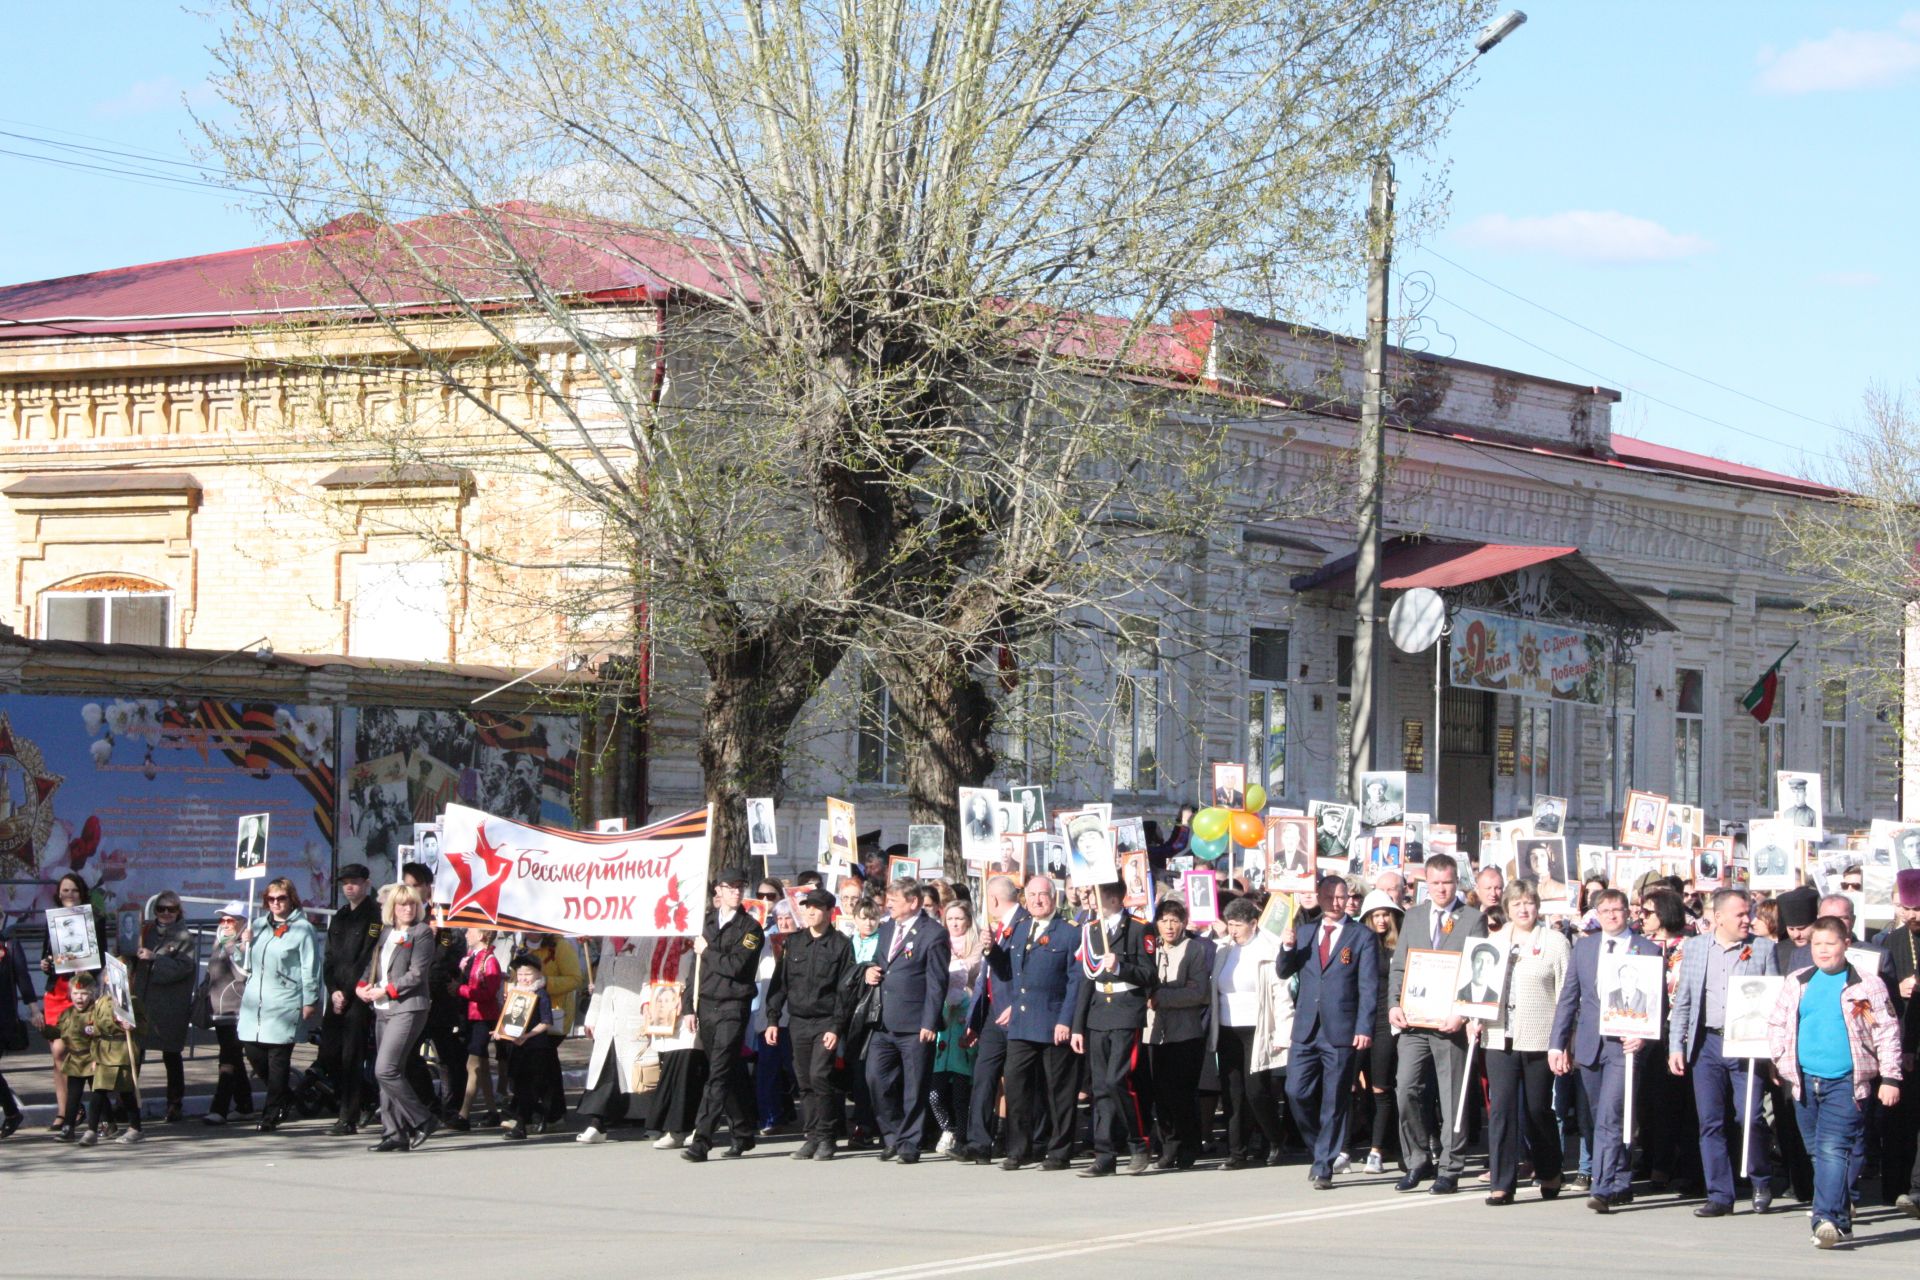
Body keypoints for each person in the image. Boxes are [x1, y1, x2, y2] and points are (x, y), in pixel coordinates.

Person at [1767, 916, 1903, 1248]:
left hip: (1847, 1081)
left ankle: (1824, 1218)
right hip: (1804, 1080)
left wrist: (1890, 1077)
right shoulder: (1799, 981)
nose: (1823, 951)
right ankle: (1841, 1219)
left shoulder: (1864, 986)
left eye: (1830, 943)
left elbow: (1884, 1031)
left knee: (1832, 1149)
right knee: (1818, 1151)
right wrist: (1779, 1059)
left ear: (1846, 944)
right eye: (1817, 944)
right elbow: (1778, 1022)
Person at [1668, 887, 1780, 1216]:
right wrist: (1677, 1044)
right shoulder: (1697, 947)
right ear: (1718, 918)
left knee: (1749, 1116)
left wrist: (1772, 1050)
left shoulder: (1761, 949)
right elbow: (1684, 1000)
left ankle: (1760, 1177)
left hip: (1746, 1042)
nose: (1748, 920)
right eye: (1741, 914)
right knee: (1710, 1121)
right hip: (1707, 1044)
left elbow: (1775, 1001)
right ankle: (1720, 1193)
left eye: (1749, 913)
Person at [1550, 887, 1658, 1213]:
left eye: (1618, 909)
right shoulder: (1584, 948)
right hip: (1589, 1044)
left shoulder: (1647, 949)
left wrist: (1645, 1035)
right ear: (1597, 914)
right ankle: (1621, 1178)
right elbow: (1569, 997)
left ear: (1629, 912)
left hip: (1625, 1045)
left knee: (1612, 1114)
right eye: (1606, 910)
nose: (1612, 915)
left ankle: (1602, 1186)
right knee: (1598, 1117)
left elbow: (1656, 1003)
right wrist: (1558, 1043)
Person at [1386, 855, 1484, 1194]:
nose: (1442, 889)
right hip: (1414, 1023)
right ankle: (1417, 1160)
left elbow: (1478, 972)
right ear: (1425, 884)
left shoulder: (1472, 919)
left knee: (1453, 1096)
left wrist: (1463, 1012)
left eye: (1448, 882)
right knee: (1406, 1089)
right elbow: (1399, 965)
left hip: (1450, 1024)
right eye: (1436, 883)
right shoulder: (1412, 917)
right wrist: (1394, 1004)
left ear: (1457, 882)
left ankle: (1450, 1168)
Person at [1280, 874, 1379, 1189]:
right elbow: (1284, 970)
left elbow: (1368, 986)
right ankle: (1320, 1148)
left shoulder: (1360, 936)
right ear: (1319, 898)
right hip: (1307, 1028)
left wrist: (1364, 1026)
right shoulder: (1306, 932)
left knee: (1335, 1100)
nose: (1336, 904)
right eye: (1329, 898)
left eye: (1341, 897)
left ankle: (1323, 1165)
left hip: (1342, 1029)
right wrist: (1287, 946)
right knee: (1296, 1091)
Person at [1475, 879, 1569, 1204]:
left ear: (1537, 906)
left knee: (1537, 1110)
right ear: (1507, 909)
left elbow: (1565, 996)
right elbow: (1478, 986)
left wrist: (1563, 1041)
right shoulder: (1495, 940)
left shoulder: (1555, 942)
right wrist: (1474, 1016)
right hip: (1498, 1036)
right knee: (1501, 1109)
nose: (1523, 909)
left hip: (1539, 1039)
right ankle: (1502, 1182)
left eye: (1528, 902)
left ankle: (1550, 1170)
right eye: (1516, 904)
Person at [990, 875, 1084, 1171]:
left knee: (1059, 1092)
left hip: (1054, 1022)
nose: (1037, 900)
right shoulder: (1019, 929)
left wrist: (1066, 1020)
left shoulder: (1070, 932)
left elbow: (1075, 980)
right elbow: (1008, 972)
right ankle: (1019, 1149)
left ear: (1053, 898)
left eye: (1042, 895)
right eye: (1031, 895)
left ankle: (1059, 1151)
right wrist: (990, 951)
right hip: (1022, 1022)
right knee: (1016, 1087)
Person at [1070, 881, 1155, 1177]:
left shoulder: (1139, 928)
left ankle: (1138, 1143)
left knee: (1118, 1081)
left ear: (1117, 899)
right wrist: (1077, 1026)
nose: (1093, 901)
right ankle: (1104, 1155)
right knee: (1100, 1087)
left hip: (1125, 1011)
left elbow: (1149, 973)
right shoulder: (1092, 930)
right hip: (1098, 1014)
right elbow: (1085, 980)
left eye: (1100, 896)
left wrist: (1120, 965)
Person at [862, 879, 950, 1164]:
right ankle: (893, 1135)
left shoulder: (933, 934)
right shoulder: (887, 928)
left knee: (914, 1087)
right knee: (875, 1079)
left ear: (913, 902)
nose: (889, 905)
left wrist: (930, 1022)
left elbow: (938, 983)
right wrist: (870, 972)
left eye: (895, 901)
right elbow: (878, 961)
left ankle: (910, 1143)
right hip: (884, 1021)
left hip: (915, 1024)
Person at [764, 888, 855, 1160]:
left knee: (820, 1076)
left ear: (829, 912)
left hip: (826, 1021)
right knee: (804, 1081)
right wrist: (772, 1018)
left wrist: (836, 1027)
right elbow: (780, 985)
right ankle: (812, 1137)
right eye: (807, 907)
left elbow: (845, 990)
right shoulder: (794, 943)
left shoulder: (840, 944)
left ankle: (827, 1137)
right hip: (798, 1022)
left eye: (816, 907)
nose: (810, 911)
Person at [682, 868, 766, 1160]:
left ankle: (702, 1140)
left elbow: (736, 967)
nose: (736, 891)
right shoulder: (705, 924)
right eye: (731, 887)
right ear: (718, 889)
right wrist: (687, 1006)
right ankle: (743, 1132)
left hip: (733, 1005)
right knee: (729, 1071)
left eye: (740, 887)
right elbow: (696, 967)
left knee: (717, 1073)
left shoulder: (751, 929)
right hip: (706, 1004)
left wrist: (708, 951)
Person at [238, 876, 322, 1133]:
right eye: (271, 899)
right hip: (256, 1002)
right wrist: (243, 944)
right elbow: (244, 962)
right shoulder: (259, 925)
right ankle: (284, 1095)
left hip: (284, 1000)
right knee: (252, 1050)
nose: (276, 903)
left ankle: (272, 1112)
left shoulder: (303, 929)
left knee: (278, 1059)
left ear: (291, 899)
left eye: (281, 898)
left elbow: (310, 967)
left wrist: (310, 999)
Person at [358, 883, 437, 1152]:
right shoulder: (387, 932)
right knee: (389, 1072)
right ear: (392, 907)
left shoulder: (422, 932)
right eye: (402, 904)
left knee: (385, 1068)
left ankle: (423, 1119)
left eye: (412, 904)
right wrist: (362, 986)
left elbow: (417, 974)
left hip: (408, 1007)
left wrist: (387, 990)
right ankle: (394, 1132)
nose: (407, 908)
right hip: (382, 1008)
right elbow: (374, 966)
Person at [1212, 894, 1288, 1171]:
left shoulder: (1268, 948)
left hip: (1257, 1028)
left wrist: (1283, 1031)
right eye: (1230, 924)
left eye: (1239, 925)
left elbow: (1281, 993)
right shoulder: (1223, 949)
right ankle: (1237, 1151)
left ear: (1253, 924)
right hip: (1227, 1027)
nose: (1233, 931)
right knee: (1232, 1092)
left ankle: (1275, 1137)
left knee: (1256, 1089)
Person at [959, 874, 1024, 1164]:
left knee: (1016, 1081)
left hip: (1015, 1013)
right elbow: (987, 977)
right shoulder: (995, 927)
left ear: (994, 900)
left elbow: (1016, 971)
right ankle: (978, 1142)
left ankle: (1017, 1141)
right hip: (992, 1016)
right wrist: (974, 1020)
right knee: (983, 1077)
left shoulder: (1023, 924)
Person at [404, 863, 472, 1127]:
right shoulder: (407, 915)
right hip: (414, 995)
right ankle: (428, 1103)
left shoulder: (442, 915)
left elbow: (451, 952)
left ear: (426, 886)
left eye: (414, 884)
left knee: (449, 1055)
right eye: (406, 884)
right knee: (408, 1052)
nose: (409, 891)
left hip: (441, 995)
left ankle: (451, 1108)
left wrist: (432, 941)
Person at [1144, 897, 1210, 1170]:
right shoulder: (1150, 948)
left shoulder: (1193, 949)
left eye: (1175, 920)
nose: (1169, 926)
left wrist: (1161, 997)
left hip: (1184, 1033)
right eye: (1164, 920)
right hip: (1153, 1032)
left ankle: (1189, 1146)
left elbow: (1198, 992)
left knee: (1182, 1093)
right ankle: (1168, 1145)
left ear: (1183, 923)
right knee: (1160, 1094)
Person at [37, 871, 105, 1131]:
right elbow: (47, 956)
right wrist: (46, 963)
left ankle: (92, 1111)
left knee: (72, 1050)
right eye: (64, 890)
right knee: (57, 1054)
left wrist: (86, 970)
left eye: (73, 890)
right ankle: (65, 1111)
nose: (68, 895)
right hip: (57, 991)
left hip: (79, 991)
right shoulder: (53, 921)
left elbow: (100, 958)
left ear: (82, 893)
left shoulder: (93, 920)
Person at [320, 863, 380, 1136]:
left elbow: (367, 957)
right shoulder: (341, 916)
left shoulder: (374, 915)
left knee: (351, 1057)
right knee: (329, 1054)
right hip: (337, 996)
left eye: (354, 882)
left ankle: (348, 1117)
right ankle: (367, 1098)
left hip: (358, 994)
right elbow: (330, 958)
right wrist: (333, 989)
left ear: (366, 884)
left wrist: (350, 988)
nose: (349, 887)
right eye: (345, 882)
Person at [576, 935, 651, 1144]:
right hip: (608, 1020)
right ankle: (596, 1123)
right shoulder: (609, 941)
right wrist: (592, 1017)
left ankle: (651, 1122)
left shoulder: (647, 939)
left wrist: (648, 1005)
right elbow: (601, 982)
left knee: (639, 1072)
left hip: (635, 1015)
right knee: (604, 1072)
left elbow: (649, 975)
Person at [130, 888, 196, 1123]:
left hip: (170, 1006)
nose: (166, 913)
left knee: (171, 1055)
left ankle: (174, 1104)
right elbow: (130, 952)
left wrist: (155, 959)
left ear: (179, 911)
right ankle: (127, 1103)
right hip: (143, 1001)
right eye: (161, 908)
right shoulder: (146, 931)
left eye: (171, 909)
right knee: (133, 1053)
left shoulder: (184, 937)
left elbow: (184, 968)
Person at [56, 971, 141, 1145]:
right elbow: (96, 1031)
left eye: (84, 993)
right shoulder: (101, 1002)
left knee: (125, 1092)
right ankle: (90, 1131)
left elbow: (143, 1026)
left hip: (121, 1052)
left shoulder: (131, 1001)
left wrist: (131, 1025)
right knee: (98, 1092)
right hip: (102, 1053)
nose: (80, 997)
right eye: (108, 976)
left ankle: (135, 1127)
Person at [931, 899, 983, 1158]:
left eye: (959, 918)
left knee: (962, 1090)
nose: (954, 923)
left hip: (965, 1021)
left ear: (968, 921)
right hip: (943, 1024)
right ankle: (947, 1128)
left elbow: (974, 971)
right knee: (935, 1091)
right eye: (950, 918)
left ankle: (962, 1136)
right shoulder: (939, 945)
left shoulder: (976, 947)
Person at [1356, 888, 1402, 1175]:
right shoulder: (1362, 943)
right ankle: (1348, 1147)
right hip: (1362, 1019)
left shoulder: (1399, 946)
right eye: (1376, 915)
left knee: (1381, 1086)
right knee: (1355, 1087)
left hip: (1387, 1020)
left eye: (1386, 914)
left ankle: (1377, 1150)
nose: (1382, 920)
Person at [195, 901, 254, 1125]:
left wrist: (233, 947)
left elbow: (242, 974)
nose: (225, 924)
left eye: (231, 920)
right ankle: (245, 1105)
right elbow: (212, 970)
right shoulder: (220, 938)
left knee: (227, 1059)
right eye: (223, 919)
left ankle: (218, 1109)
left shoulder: (244, 943)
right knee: (234, 1058)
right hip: (217, 1007)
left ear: (242, 923)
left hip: (236, 1008)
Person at [497, 954, 559, 1141]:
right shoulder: (514, 994)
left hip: (535, 1047)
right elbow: (507, 1020)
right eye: (521, 974)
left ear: (538, 974)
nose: (524, 978)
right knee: (516, 1085)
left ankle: (520, 1126)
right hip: (516, 1047)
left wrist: (528, 1036)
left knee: (527, 1087)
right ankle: (539, 1113)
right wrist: (500, 1032)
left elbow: (546, 1022)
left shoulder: (540, 993)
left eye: (528, 974)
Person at [456, 928, 504, 1127]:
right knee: (482, 1066)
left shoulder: (489, 960)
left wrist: (461, 989)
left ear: (481, 935)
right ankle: (492, 1111)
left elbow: (488, 993)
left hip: (483, 1016)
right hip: (471, 1015)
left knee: (473, 1064)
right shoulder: (471, 957)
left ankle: (464, 1114)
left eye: (470, 931)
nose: (466, 934)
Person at [0, 916, 36, 1137]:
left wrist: (34, 1009)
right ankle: (12, 1112)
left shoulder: (10, 947)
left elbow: (23, 978)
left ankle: (12, 1113)